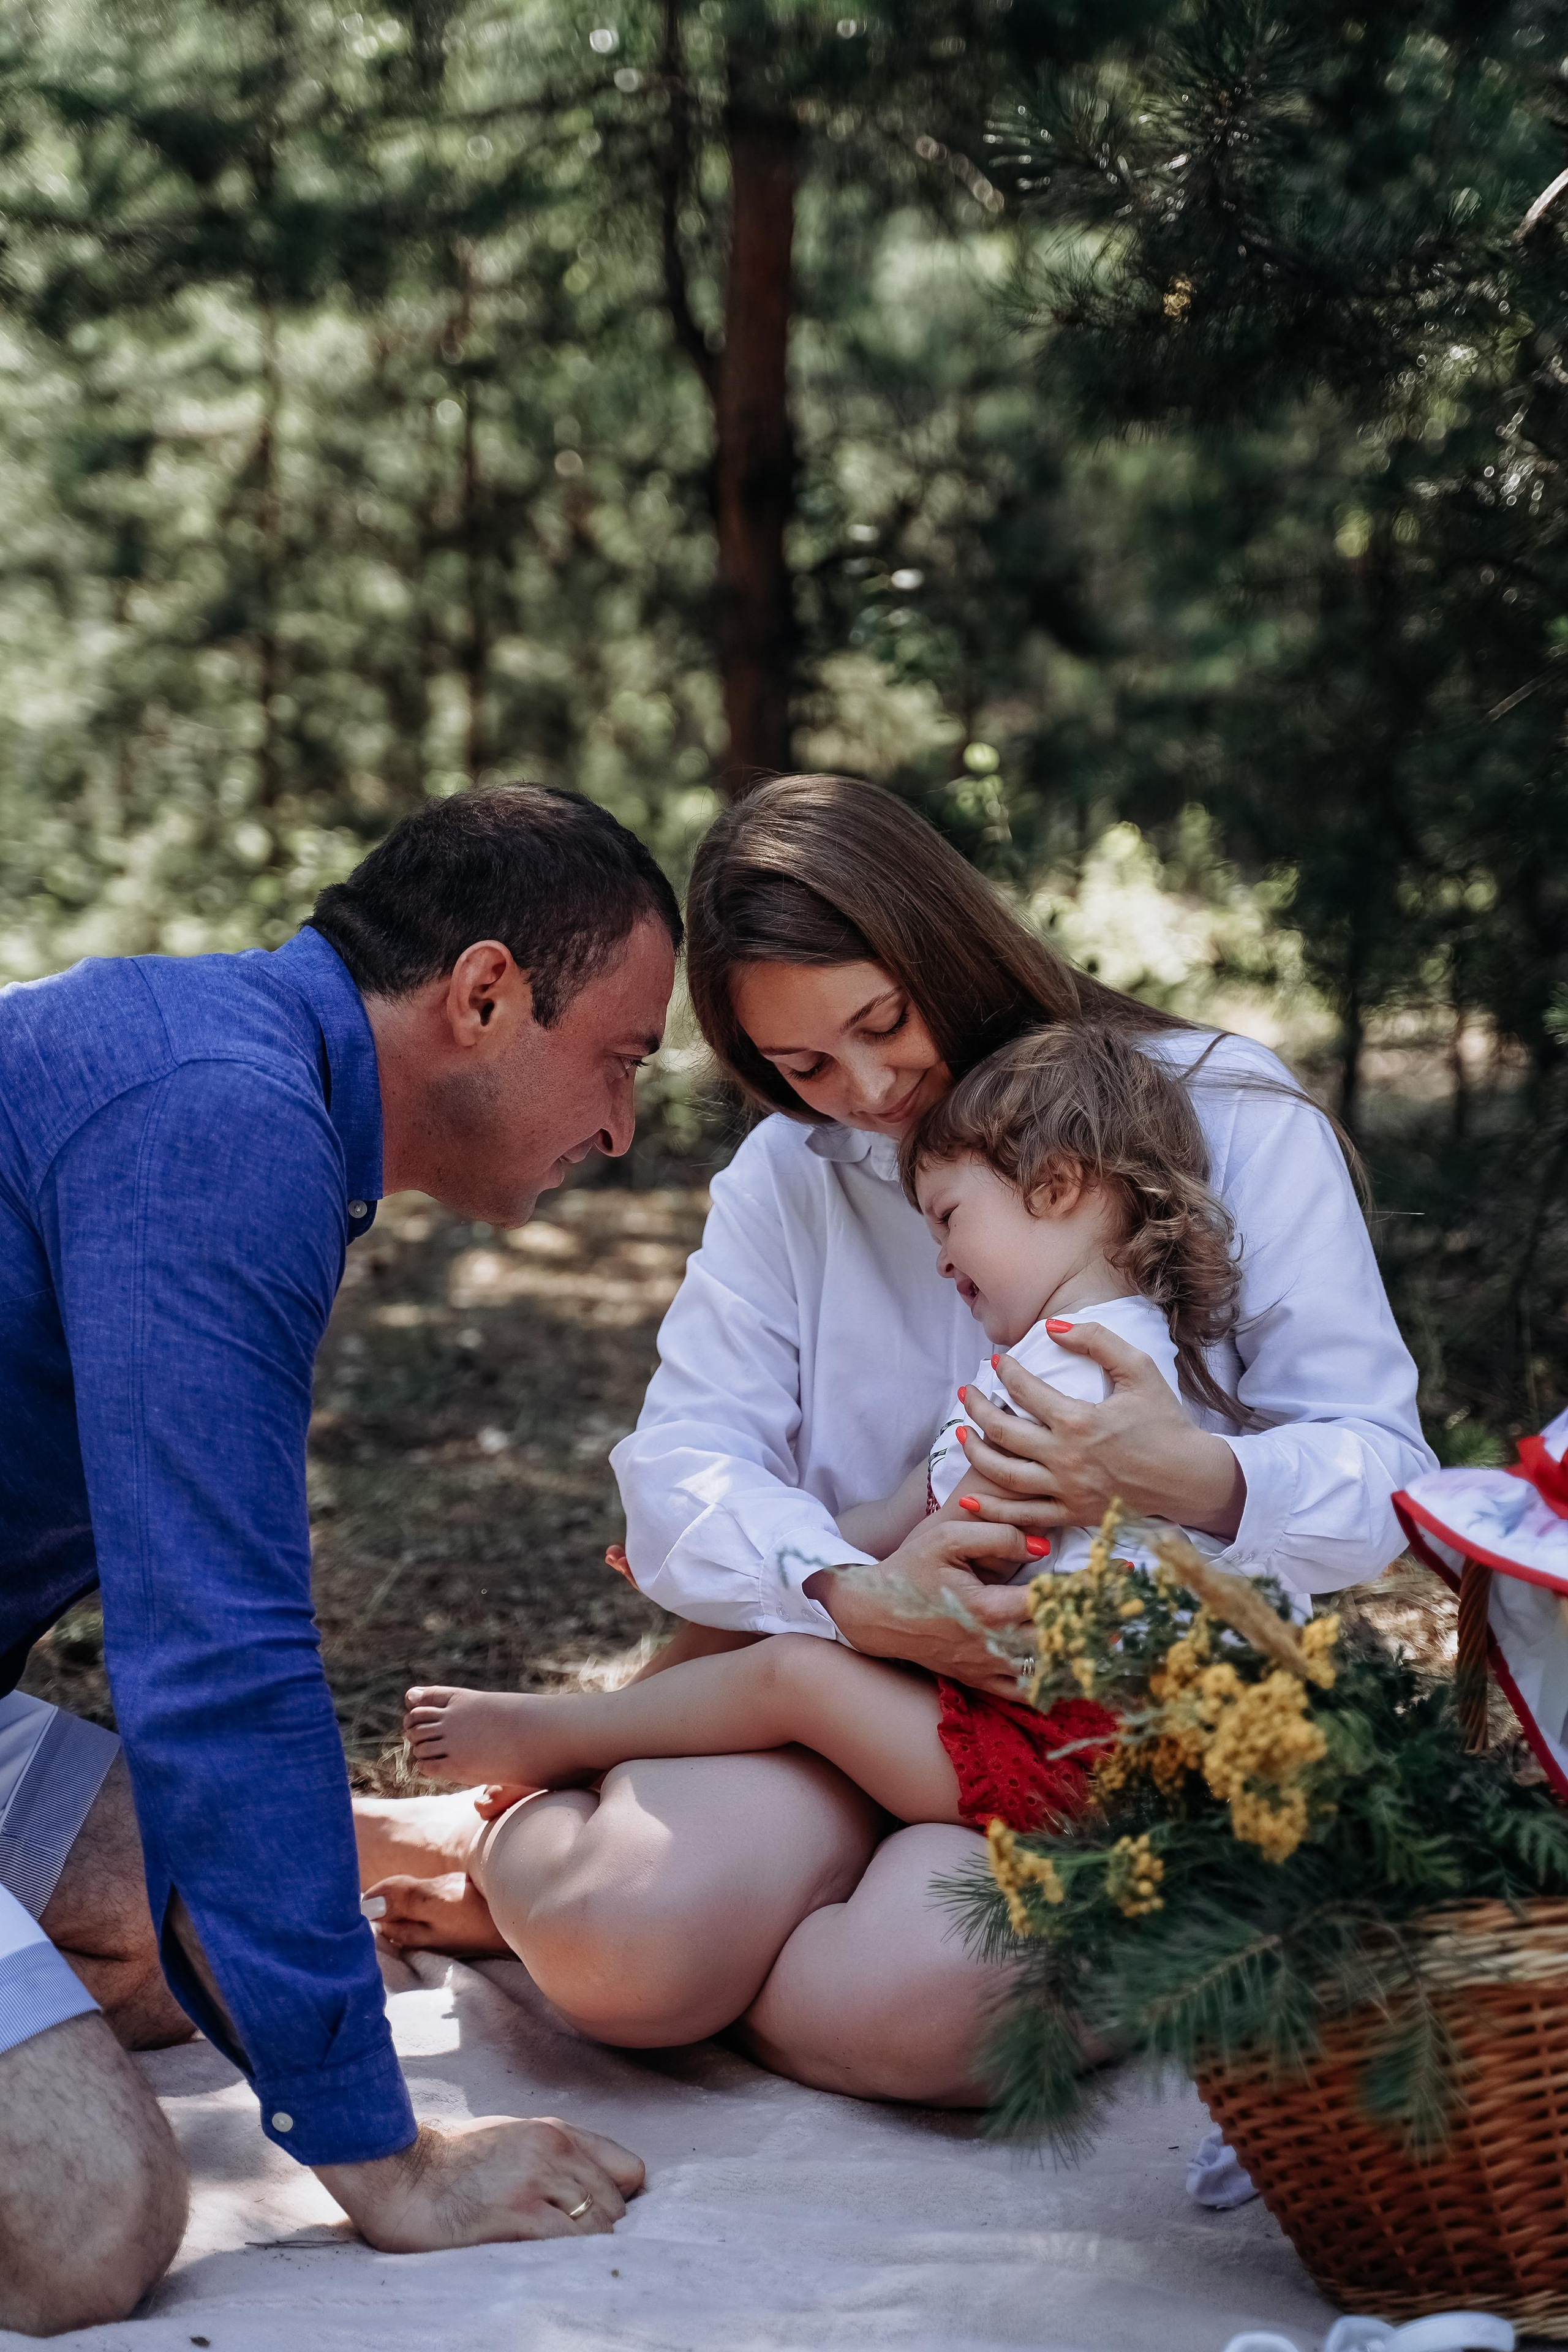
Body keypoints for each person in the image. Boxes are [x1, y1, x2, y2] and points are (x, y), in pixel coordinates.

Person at [358, 772, 1435, 2111]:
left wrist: (1193, 1475)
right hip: (844, 1700)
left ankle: (719, 1956)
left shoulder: (1223, 1111)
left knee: (929, 2017)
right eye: (803, 1065)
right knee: (620, 1945)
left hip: (1100, 1735)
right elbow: (679, 1477)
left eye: (882, 1021)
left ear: (945, 943)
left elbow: (1389, 1483)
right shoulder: (790, 1177)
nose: (864, 1088)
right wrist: (849, 1592)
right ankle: (526, 1851)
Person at [0, 785, 671, 2334]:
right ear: (484, 996)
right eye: (620, 1061)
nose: (624, 1126)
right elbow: (213, 1652)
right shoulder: (220, 1120)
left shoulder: (243, 1075)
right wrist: (384, 2156)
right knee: (90, 2221)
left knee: (213, 1952)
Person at [393, 1022, 1240, 1839]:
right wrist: (796, 1565)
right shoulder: (1065, 1356)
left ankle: (571, 1743)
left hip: (1062, 1752)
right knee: (797, 1608)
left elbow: (964, 1539)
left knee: (791, 1674)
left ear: (1053, 1188)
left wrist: (822, 1583)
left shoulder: (1082, 1371)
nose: (941, 1258)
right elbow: (904, 1515)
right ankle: (564, 1762)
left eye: (948, 1218)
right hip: (1027, 1713)